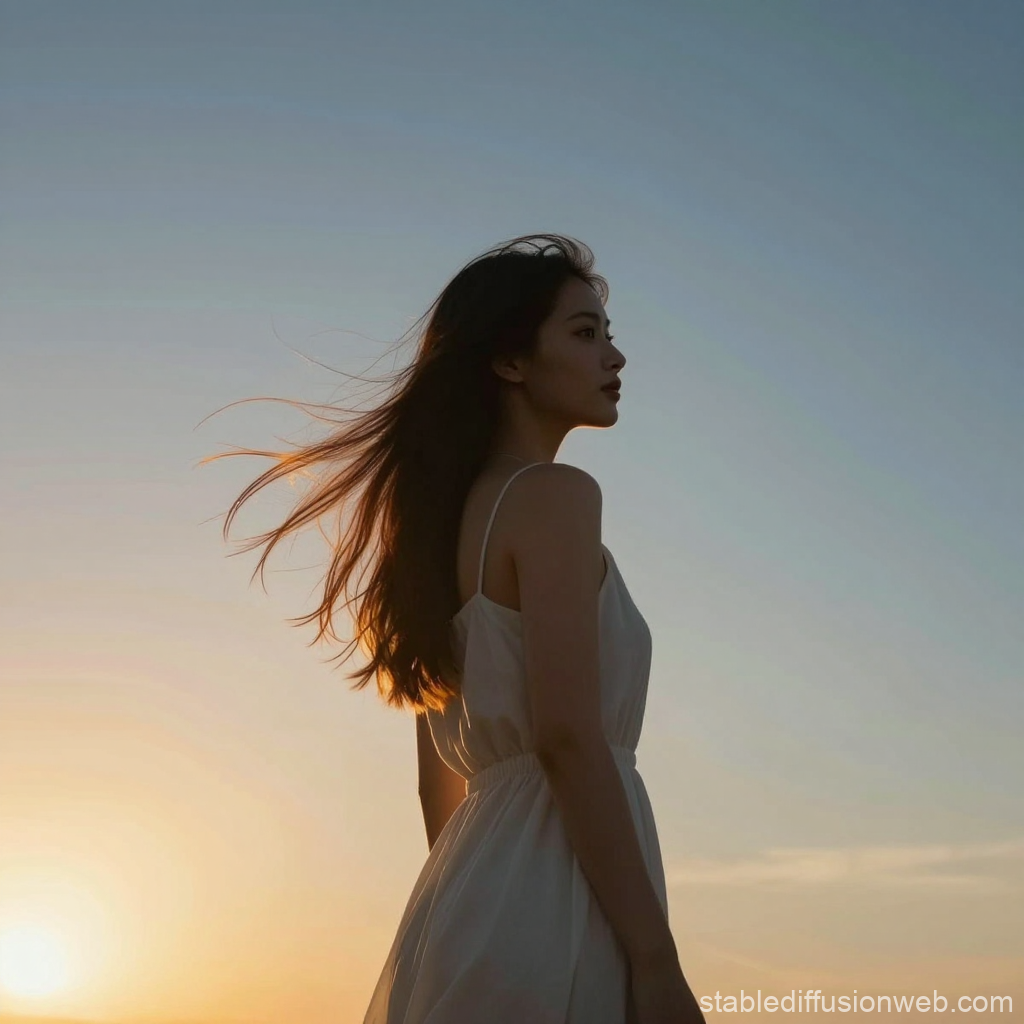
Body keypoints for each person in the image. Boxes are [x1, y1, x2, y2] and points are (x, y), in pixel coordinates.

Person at [208, 234, 705, 1023]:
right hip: (563, 892)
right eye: (584, 333)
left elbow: (434, 783)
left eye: (607, 332)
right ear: (510, 362)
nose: (614, 355)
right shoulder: (554, 497)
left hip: (470, 893)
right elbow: (570, 739)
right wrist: (654, 958)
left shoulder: (438, 538)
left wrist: (481, 903)